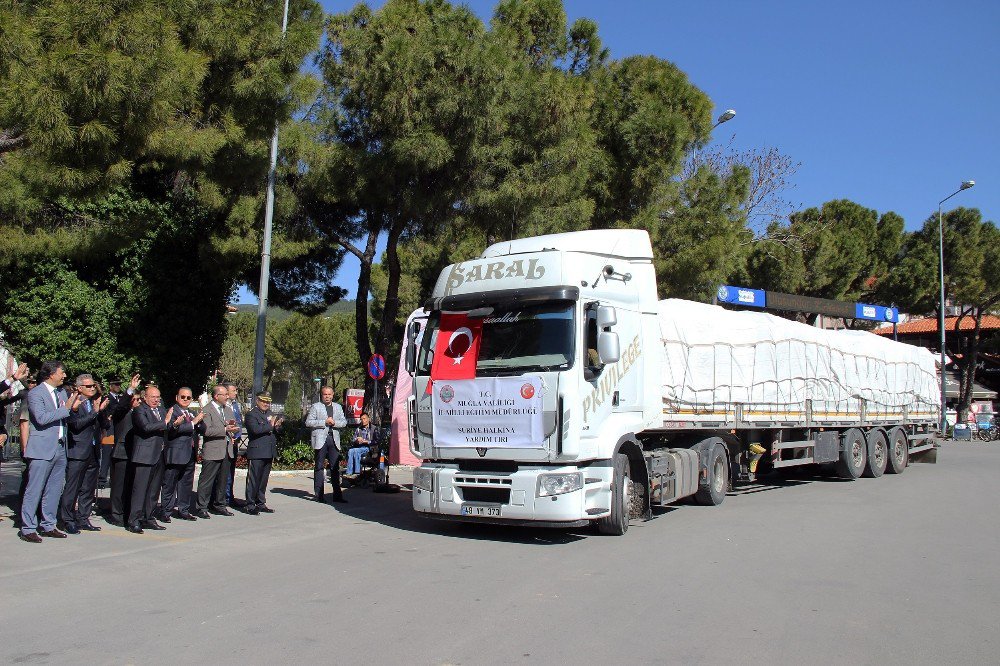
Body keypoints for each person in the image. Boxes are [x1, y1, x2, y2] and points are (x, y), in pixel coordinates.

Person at [20, 360, 80, 543]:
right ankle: (28, 528)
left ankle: (49, 524)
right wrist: (66, 409)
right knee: (34, 489)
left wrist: (70, 410)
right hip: (41, 449)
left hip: (60, 447)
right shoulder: (36, 393)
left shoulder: (62, 392)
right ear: (51, 374)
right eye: (62, 372)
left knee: (54, 489)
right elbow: (41, 418)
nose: (64, 376)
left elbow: (64, 415)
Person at [60, 374, 108, 534]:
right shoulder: (74, 402)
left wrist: (100, 411)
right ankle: (68, 519)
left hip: (93, 450)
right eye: (88, 386)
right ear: (79, 388)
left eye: (93, 385)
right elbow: (75, 425)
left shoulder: (93, 402)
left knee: (88, 487)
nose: (92, 388)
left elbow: (104, 424)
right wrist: (94, 412)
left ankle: (83, 518)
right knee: (73, 487)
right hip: (78, 451)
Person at [127, 384, 174, 533]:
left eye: (158, 397)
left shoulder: (161, 410)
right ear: (145, 397)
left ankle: (149, 517)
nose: (156, 400)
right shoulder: (140, 410)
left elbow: (167, 426)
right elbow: (146, 427)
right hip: (144, 456)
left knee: (153, 490)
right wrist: (165, 423)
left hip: (159, 454)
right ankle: (134, 520)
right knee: (140, 489)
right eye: (153, 397)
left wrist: (173, 423)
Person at [159, 387, 204, 521]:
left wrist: (200, 421)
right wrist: (194, 423)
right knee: (170, 484)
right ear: (177, 397)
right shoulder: (172, 411)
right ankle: (166, 511)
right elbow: (171, 430)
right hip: (175, 453)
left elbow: (201, 428)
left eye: (188, 398)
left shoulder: (190, 413)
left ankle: (184, 510)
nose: (185, 400)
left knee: (186, 483)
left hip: (189, 453)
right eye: (183, 397)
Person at [195, 385, 238, 518]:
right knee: (207, 480)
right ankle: (202, 506)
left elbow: (232, 425)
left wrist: (232, 432)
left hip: (226, 449)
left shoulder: (228, 409)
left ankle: (220, 504)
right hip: (213, 450)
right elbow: (207, 431)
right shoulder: (207, 410)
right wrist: (225, 430)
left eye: (227, 394)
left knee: (223, 480)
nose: (227, 396)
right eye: (224, 394)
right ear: (216, 396)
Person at [107, 374, 141, 527]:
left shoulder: (140, 414)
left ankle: (127, 513)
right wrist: (130, 389)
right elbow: (120, 406)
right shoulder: (122, 412)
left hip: (135, 453)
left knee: (130, 485)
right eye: (136, 399)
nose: (138, 402)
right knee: (118, 486)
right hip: (121, 452)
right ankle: (116, 514)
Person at [243, 391, 282, 515]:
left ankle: (260, 502)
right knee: (253, 479)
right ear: (257, 401)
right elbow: (255, 430)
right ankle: (250, 504)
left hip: (268, 451)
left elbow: (275, 431)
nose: (266, 404)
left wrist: (277, 426)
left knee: (263, 480)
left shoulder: (270, 414)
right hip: (257, 451)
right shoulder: (251, 414)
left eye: (268, 402)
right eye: (263, 401)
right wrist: (271, 425)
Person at [305, 386, 347, 503]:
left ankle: (337, 495)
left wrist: (334, 423)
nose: (327, 396)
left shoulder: (338, 407)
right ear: (321, 395)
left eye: (329, 394)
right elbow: (308, 422)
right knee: (319, 467)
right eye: (325, 394)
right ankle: (319, 495)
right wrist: (323, 422)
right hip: (320, 440)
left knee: (335, 468)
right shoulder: (316, 407)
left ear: (333, 395)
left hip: (333, 439)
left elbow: (344, 422)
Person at [97, 378, 125, 489]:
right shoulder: (107, 398)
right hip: (109, 430)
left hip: (118, 430)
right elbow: (104, 413)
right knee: (106, 454)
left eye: (119, 385)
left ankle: (112, 479)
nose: (118, 387)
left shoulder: (121, 398)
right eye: (116, 385)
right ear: (111, 386)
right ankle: (102, 480)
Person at [223, 382, 244, 507]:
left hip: (234, 441)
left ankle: (229, 496)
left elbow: (238, 422)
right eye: (233, 390)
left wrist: (237, 436)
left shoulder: (235, 405)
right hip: (224, 442)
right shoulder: (224, 406)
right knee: (223, 472)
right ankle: (222, 497)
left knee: (231, 471)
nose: (236, 393)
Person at [345, 412, 376, 476]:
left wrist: (365, 441)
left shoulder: (374, 428)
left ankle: (357, 472)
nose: (363, 421)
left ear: (368, 419)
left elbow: (376, 441)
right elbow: (353, 439)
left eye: (364, 419)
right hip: (359, 447)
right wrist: (356, 440)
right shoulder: (358, 429)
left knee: (356, 451)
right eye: (361, 419)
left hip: (369, 448)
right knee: (351, 451)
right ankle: (349, 472)